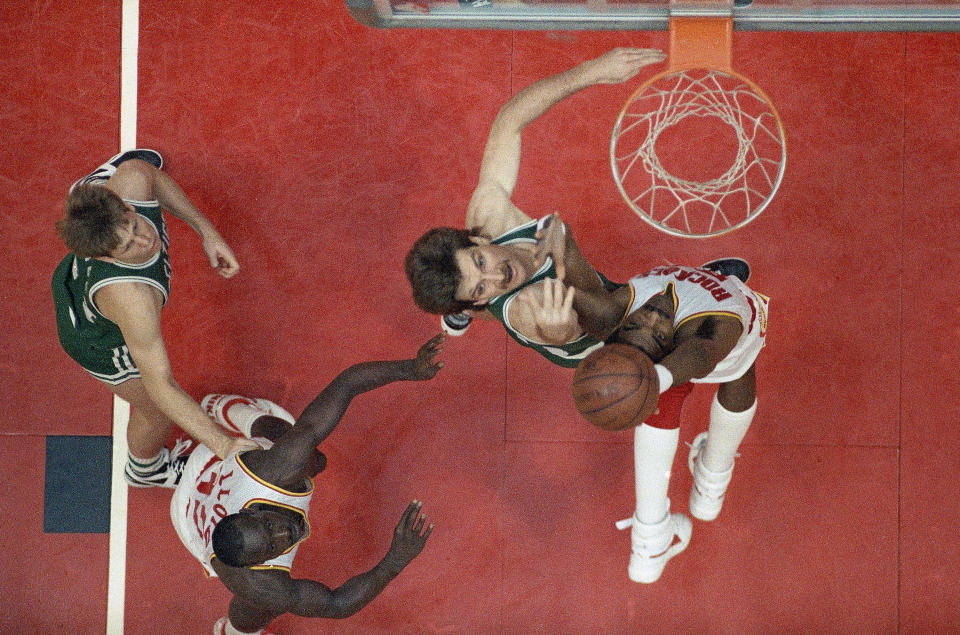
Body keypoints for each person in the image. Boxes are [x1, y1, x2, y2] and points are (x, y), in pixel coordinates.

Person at [404, 48, 667, 368]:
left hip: (512, 291)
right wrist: (556, 330)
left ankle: (462, 306)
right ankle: (466, 305)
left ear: (478, 240)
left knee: (488, 283)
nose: (496, 273)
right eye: (481, 285)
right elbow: (598, 319)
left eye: (480, 260)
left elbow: (509, 121)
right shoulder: (528, 309)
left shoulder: (489, 217)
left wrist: (591, 71)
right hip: (599, 340)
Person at [171, 334, 444, 634]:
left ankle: (230, 410)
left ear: (250, 512)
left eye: (268, 526)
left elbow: (348, 384)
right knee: (265, 603)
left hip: (208, 462)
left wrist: (409, 369)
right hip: (188, 520)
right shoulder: (257, 582)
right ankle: (233, 632)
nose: (283, 533)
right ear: (255, 563)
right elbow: (336, 604)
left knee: (307, 454)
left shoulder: (276, 470)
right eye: (272, 547)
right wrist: (395, 559)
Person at [51, 149, 256, 488]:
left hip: (80, 268)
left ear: (127, 207)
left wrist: (207, 232)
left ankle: (84, 197)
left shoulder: (131, 179)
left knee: (134, 172)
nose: (146, 241)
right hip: (94, 339)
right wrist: (224, 444)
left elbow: (155, 180)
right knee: (158, 412)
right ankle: (146, 470)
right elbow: (160, 385)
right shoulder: (133, 300)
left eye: (133, 226)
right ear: (106, 256)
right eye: (129, 247)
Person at [570, 263, 768, 583]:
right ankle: (711, 485)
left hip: (629, 335)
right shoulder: (724, 308)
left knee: (660, 382)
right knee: (740, 363)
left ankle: (649, 544)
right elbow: (705, 351)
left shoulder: (623, 305)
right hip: (714, 330)